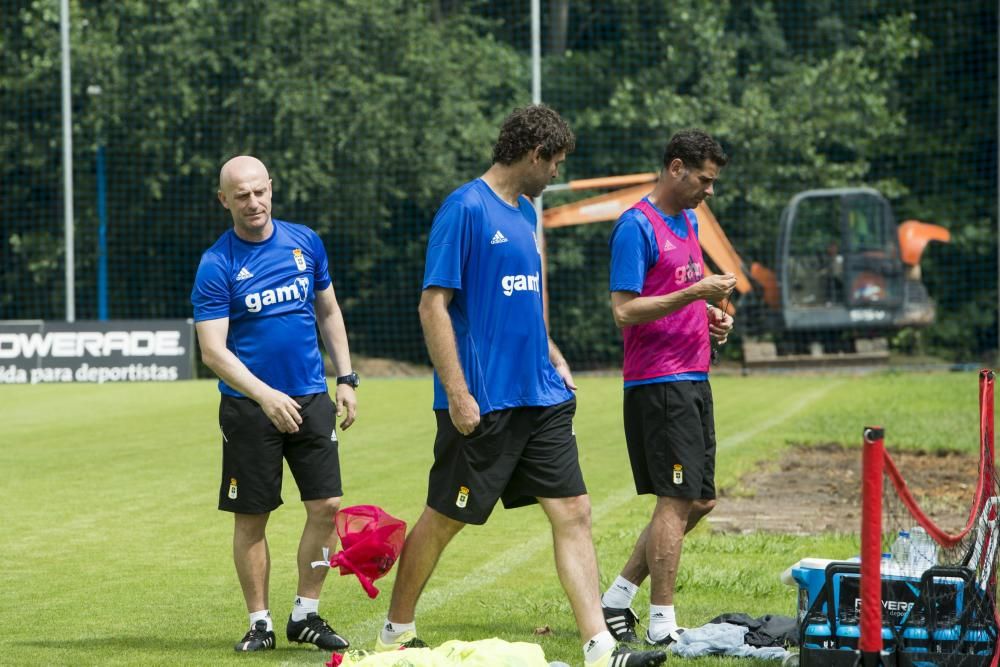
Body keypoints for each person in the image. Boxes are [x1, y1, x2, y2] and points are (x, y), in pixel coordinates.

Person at [374, 105, 666, 667]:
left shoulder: (526, 212)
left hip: (541, 397)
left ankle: (598, 646)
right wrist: (458, 393)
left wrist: (551, 351)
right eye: (554, 162)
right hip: (485, 402)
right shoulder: (464, 209)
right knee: (445, 517)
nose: (556, 172)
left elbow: (522, 298)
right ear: (534, 155)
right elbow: (433, 305)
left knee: (574, 510)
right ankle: (396, 629)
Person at [191, 155, 360, 653]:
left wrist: (346, 377)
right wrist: (264, 396)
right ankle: (260, 623)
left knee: (327, 506)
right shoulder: (217, 263)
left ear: (271, 189)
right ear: (224, 200)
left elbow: (328, 309)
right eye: (240, 195)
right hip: (249, 409)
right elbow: (212, 351)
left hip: (310, 398)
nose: (253, 203)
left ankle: (305, 614)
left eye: (259, 191)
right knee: (252, 517)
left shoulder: (305, 242)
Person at [600, 130, 736, 646]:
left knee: (700, 501)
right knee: (676, 499)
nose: (710, 190)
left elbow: (674, 295)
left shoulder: (690, 219)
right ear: (676, 167)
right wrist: (696, 292)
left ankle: (616, 596)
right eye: (705, 179)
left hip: (694, 376)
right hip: (658, 382)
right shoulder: (635, 226)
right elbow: (625, 310)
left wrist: (707, 315)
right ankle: (662, 624)